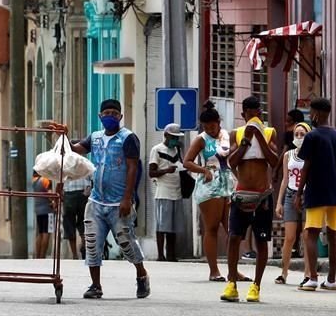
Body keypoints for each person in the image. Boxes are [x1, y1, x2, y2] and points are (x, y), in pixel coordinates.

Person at [46, 99, 150, 300]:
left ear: (120, 116)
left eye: (114, 113)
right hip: (96, 202)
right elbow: (75, 150)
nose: (110, 116)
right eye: (106, 113)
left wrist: (127, 198)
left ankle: (141, 275)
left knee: (126, 243)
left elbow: (132, 168)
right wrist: (63, 136)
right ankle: (95, 285)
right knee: (92, 243)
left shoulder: (128, 138)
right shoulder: (95, 138)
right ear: (100, 116)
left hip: (119, 202)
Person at [221, 96, 278, 304]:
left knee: (261, 241)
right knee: (234, 238)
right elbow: (231, 162)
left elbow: (274, 160)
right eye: (249, 114)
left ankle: (256, 285)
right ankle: (232, 282)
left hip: (262, 196)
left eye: (257, 114)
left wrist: (260, 138)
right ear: (243, 114)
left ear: (260, 114)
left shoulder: (270, 132)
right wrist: (245, 142)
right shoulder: (236, 134)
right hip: (242, 195)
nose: (253, 117)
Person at [295, 97, 336, 292]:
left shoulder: (312, 137)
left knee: (311, 233)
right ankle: (332, 280)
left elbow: (306, 166)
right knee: (333, 235)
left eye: (311, 112)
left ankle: (312, 278)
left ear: (317, 114)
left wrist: (298, 192)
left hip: (317, 192)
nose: (310, 116)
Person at [183, 101, 233, 282]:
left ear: (219, 122)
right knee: (212, 228)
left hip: (228, 183)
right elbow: (187, 161)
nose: (211, 130)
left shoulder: (226, 136)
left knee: (232, 229)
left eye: (213, 126)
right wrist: (203, 170)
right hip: (210, 186)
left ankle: (233, 270)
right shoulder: (201, 139)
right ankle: (214, 270)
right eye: (207, 127)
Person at [275, 121, 312, 285]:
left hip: (307, 195)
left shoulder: (312, 154)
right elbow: (285, 179)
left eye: (302, 134)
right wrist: (279, 202)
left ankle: (308, 274)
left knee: (306, 236)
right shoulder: (288, 155)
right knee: (289, 237)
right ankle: (284, 273)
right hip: (290, 194)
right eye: (296, 134)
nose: (298, 137)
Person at [149, 123, 184, 262]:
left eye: (177, 138)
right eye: (173, 137)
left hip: (177, 190)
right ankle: (160, 255)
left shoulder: (177, 150)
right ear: (166, 135)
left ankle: (172, 254)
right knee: (162, 225)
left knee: (173, 226)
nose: (175, 140)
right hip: (163, 191)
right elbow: (151, 172)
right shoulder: (156, 150)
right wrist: (165, 171)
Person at [62, 175, 89, 260]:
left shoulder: (65, 162)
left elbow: (60, 179)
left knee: (69, 223)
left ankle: (74, 255)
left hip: (69, 193)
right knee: (84, 221)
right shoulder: (84, 161)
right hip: (83, 194)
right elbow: (91, 175)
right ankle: (84, 245)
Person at [31, 171, 54, 258]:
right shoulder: (46, 180)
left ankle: (38, 255)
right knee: (46, 233)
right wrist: (53, 201)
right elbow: (50, 194)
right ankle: (43, 255)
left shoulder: (34, 181)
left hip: (38, 210)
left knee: (40, 233)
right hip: (47, 210)